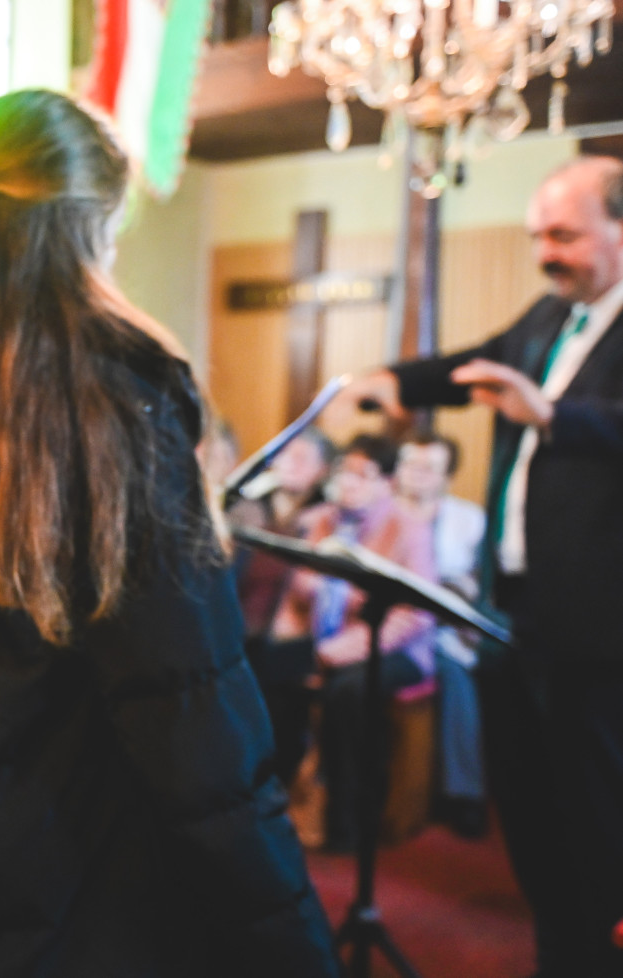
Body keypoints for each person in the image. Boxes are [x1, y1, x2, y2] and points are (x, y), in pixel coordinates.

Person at [0, 90, 336, 978]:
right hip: (67, 901)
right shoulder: (106, 412)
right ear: (88, 232)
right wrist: (295, 947)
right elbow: (191, 721)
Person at [345, 154, 623, 977]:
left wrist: (553, 415)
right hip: (512, 614)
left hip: (599, 629)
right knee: (529, 812)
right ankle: (558, 955)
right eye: (536, 235)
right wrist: (394, 379)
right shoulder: (548, 316)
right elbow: (473, 366)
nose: (544, 253)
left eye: (562, 236)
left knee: (596, 817)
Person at [270, 434, 437, 851]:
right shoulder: (319, 520)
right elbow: (292, 594)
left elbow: (414, 615)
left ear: (387, 483)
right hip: (322, 639)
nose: (350, 483)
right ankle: (277, 800)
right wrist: (290, 642)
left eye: (364, 476)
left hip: (393, 648)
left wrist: (339, 651)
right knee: (270, 669)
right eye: (346, 471)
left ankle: (348, 818)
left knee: (348, 692)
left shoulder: (408, 528)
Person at [394, 432, 488, 836]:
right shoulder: (381, 509)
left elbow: (480, 581)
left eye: (429, 468)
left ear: (447, 477)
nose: (417, 474)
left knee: (455, 674)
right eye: (409, 464)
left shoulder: (469, 520)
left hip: (445, 629)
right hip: (390, 622)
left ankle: (464, 793)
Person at [229, 427, 335, 786]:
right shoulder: (247, 507)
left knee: (282, 710)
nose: (290, 463)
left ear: (322, 470)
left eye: (303, 458)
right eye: (286, 454)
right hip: (240, 627)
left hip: (291, 638)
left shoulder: (326, 518)